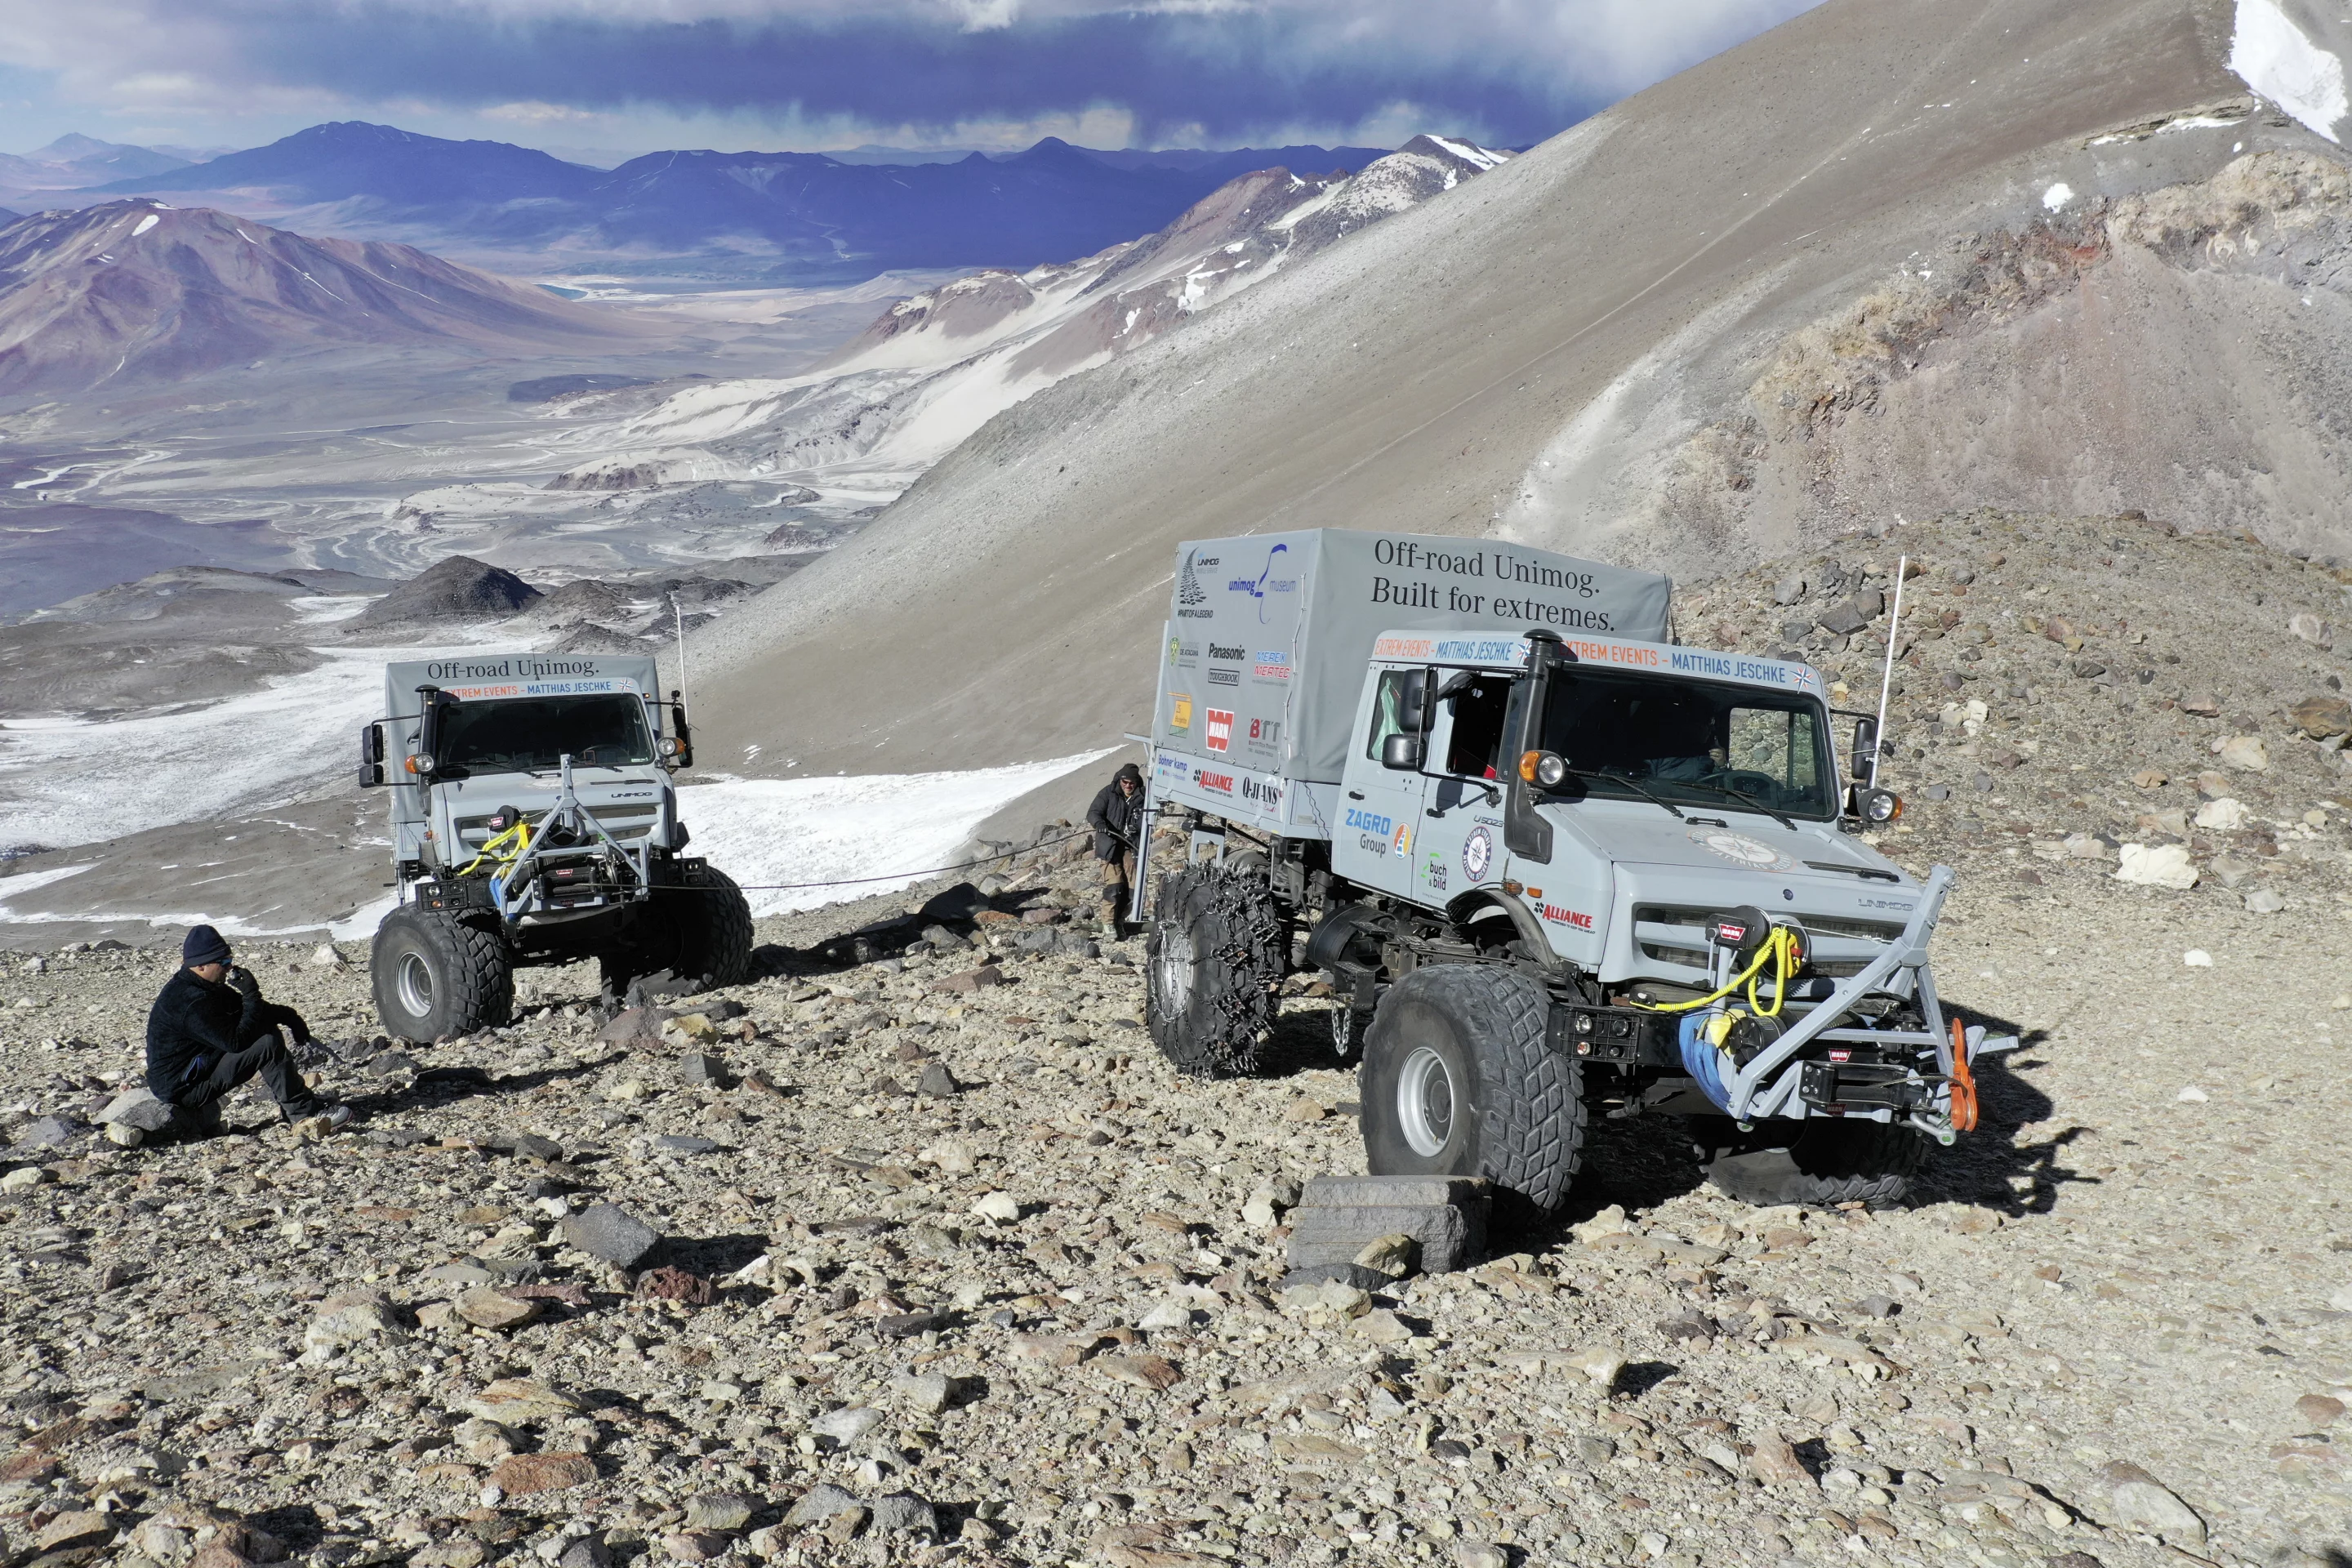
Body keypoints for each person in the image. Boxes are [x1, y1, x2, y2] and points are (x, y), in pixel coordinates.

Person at [145, 925, 350, 1134]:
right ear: (201, 966)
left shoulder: (204, 986)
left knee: (264, 1027)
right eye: (224, 962)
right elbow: (236, 1042)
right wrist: (251, 994)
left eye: (230, 960)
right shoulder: (190, 1002)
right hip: (185, 1087)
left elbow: (250, 1012)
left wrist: (290, 1017)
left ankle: (298, 1103)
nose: (229, 967)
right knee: (267, 1045)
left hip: (199, 1066)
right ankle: (305, 1114)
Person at [1086, 761, 1147, 938]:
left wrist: (1137, 827)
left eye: (1131, 783)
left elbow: (1147, 818)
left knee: (1134, 888)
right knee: (1115, 885)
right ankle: (1108, 923)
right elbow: (1093, 812)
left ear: (1137, 783)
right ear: (1120, 780)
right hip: (1109, 846)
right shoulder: (1108, 792)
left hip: (1131, 846)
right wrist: (1100, 824)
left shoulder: (1143, 797)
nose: (1128, 786)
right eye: (1125, 782)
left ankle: (1120, 920)